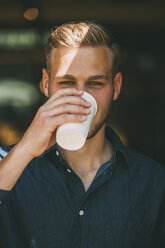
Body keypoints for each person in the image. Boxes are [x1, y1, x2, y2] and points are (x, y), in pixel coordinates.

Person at [0, 21, 165, 248]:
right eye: (67, 82)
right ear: (47, 84)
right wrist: (26, 149)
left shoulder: (152, 182)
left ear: (116, 87)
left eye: (95, 83)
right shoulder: (8, 166)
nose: (79, 96)